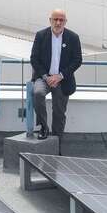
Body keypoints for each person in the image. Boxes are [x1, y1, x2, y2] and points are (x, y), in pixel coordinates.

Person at [30, 9, 82, 141]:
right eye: (55, 19)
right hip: (44, 77)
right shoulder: (41, 35)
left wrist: (60, 76)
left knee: (59, 111)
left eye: (61, 20)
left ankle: (57, 140)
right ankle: (44, 127)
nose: (58, 23)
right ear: (50, 20)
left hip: (63, 80)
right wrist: (46, 77)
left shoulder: (73, 37)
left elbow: (77, 60)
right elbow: (34, 59)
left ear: (65, 22)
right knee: (38, 93)